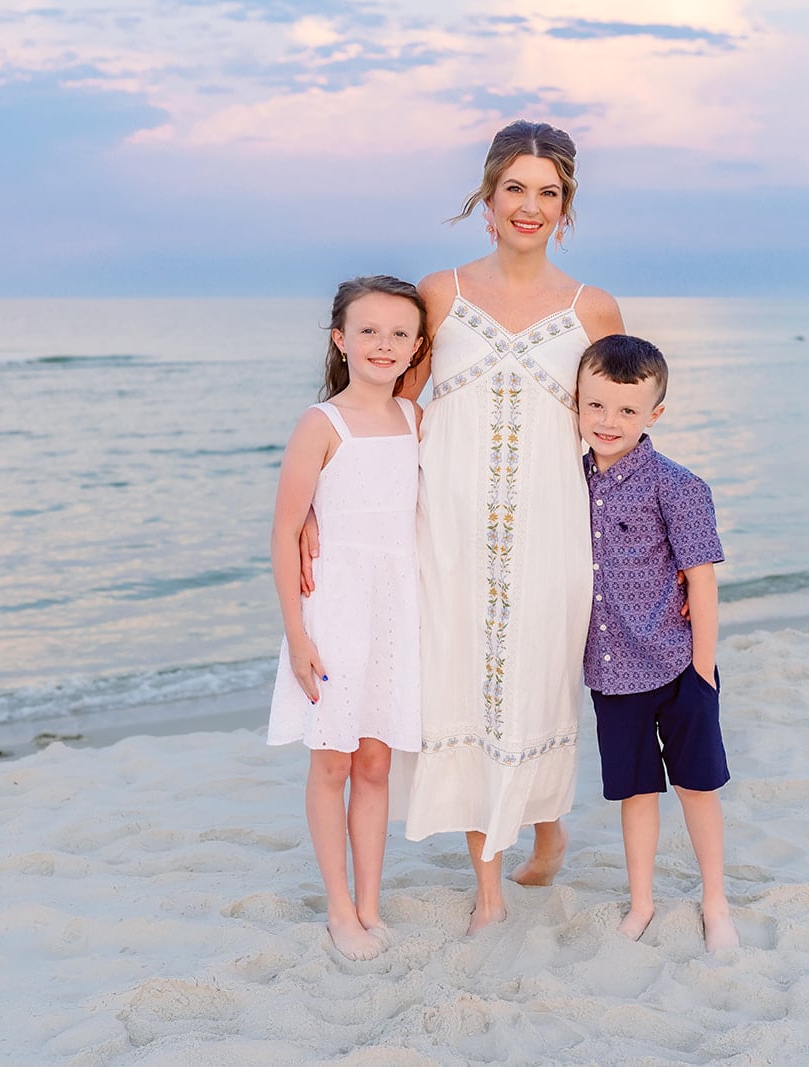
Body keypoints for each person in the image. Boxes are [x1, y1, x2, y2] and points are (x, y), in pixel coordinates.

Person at [395, 119, 624, 933]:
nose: (530, 205)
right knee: (460, 687)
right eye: (515, 188)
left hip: (553, 536)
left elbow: (618, 432)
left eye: (548, 192)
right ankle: (487, 890)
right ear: (487, 199)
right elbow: (397, 407)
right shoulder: (440, 293)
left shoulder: (592, 307)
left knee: (538, 688)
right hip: (450, 534)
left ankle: (548, 825)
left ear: (565, 209)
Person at [267, 275, 429, 961]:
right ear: (340, 339)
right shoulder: (321, 423)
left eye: (399, 332)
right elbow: (282, 533)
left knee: (375, 760)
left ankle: (370, 902)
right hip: (334, 606)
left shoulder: (415, 418)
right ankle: (339, 909)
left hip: (396, 605)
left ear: (418, 344)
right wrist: (298, 635)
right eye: (368, 331)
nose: (383, 344)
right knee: (331, 760)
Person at [575, 334, 740, 953]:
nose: (608, 422)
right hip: (610, 671)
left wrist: (701, 674)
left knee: (698, 785)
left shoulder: (679, 485)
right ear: (579, 404)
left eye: (625, 410)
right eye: (596, 406)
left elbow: (701, 580)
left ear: (654, 415)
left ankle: (715, 900)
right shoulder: (571, 480)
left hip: (675, 663)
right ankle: (641, 902)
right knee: (636, 791)